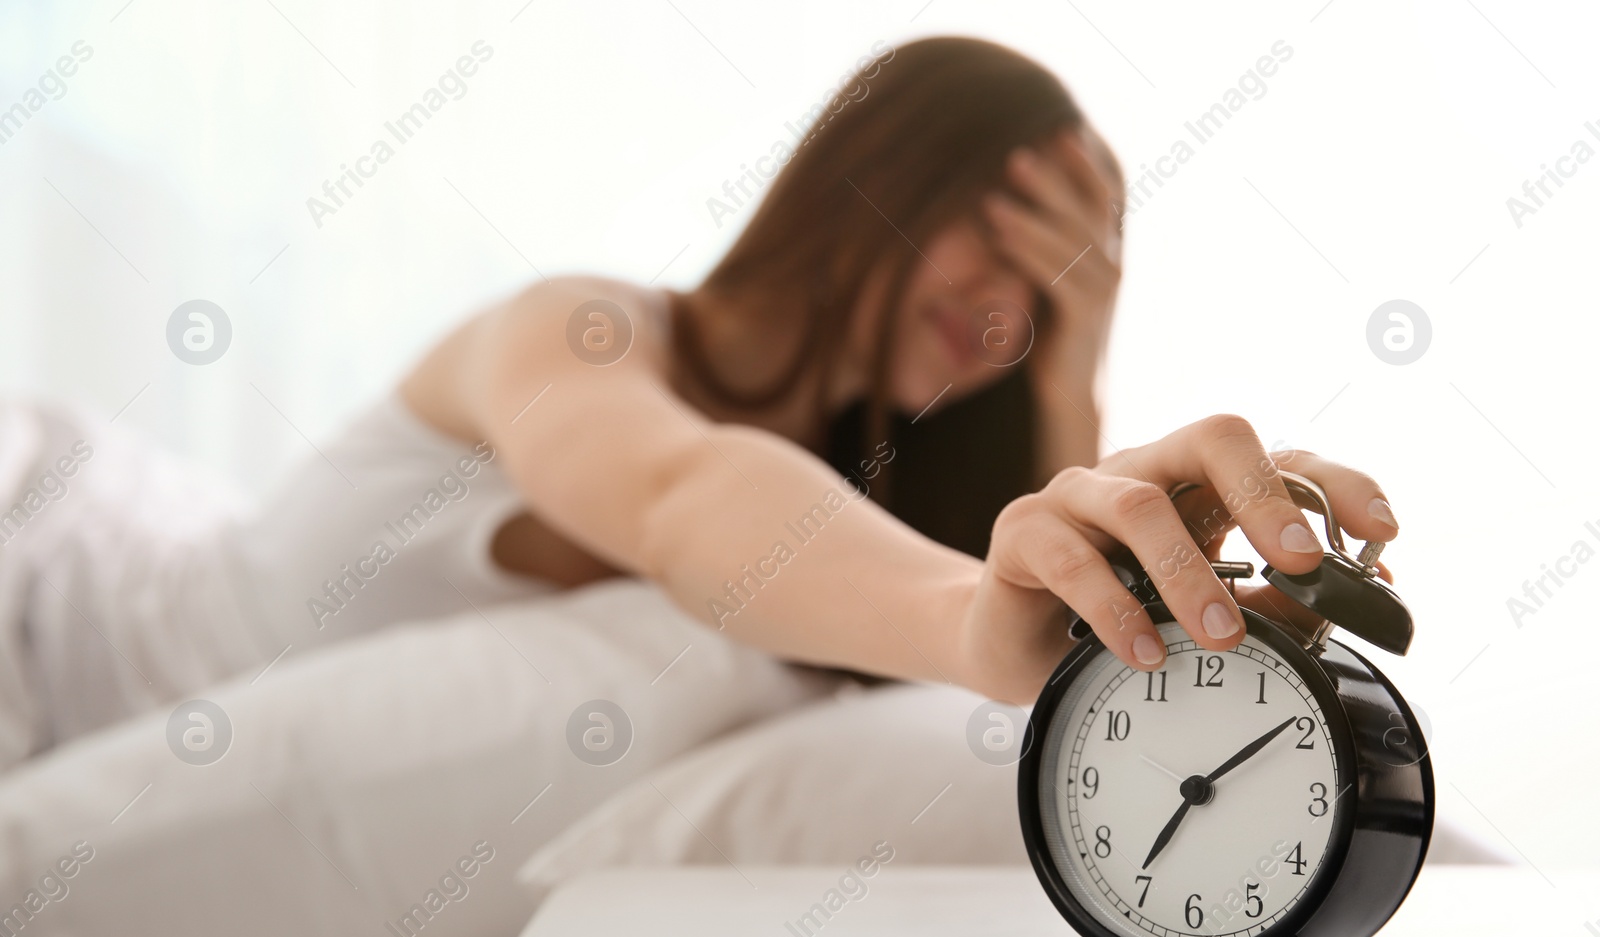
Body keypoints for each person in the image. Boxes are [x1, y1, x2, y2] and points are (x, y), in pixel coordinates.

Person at [0, 35, 1398, 769]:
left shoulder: (862, 498)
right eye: (1001, 243)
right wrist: (964, 625)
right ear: (882, 177)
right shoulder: (580, 332)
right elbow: (685, 498)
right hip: (54, 599)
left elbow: (999, 602)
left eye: (1050, 297)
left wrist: (1077, 357)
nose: (1005, 320)